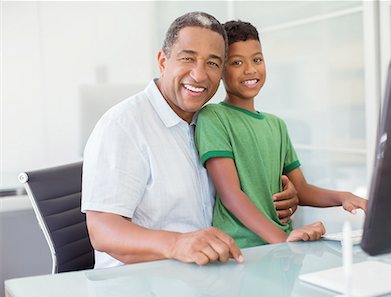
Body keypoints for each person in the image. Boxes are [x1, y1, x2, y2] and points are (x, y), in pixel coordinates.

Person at [81, 12, 299, 268]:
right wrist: (178, 243)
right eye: (188, 58)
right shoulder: (124, 125)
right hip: (140, 282)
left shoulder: (212, 123)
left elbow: (234, 192)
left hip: (209, 275)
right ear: (163, 61)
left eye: (213, 63)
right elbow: (102, 231)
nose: (199, 75)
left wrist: (284, 194)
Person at [195, 20, 368, 249]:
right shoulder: (213, 117)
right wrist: (282, 239)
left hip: (281, 247)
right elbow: (231, 194)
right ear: (221, 69)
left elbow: (302, 189)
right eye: (237, 62)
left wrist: (343, 197)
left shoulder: (277, 125)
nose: (250, 69)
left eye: (257, 59)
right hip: (241, 247)